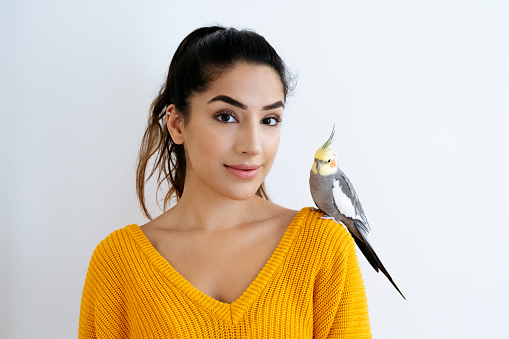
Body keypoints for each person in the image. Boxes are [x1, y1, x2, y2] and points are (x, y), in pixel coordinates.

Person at [78, 26, 371, 338]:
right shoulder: (117, 265)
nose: (253, 145)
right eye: (227, 117)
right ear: (177, 124)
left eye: (269, 120)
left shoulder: (323, 248)